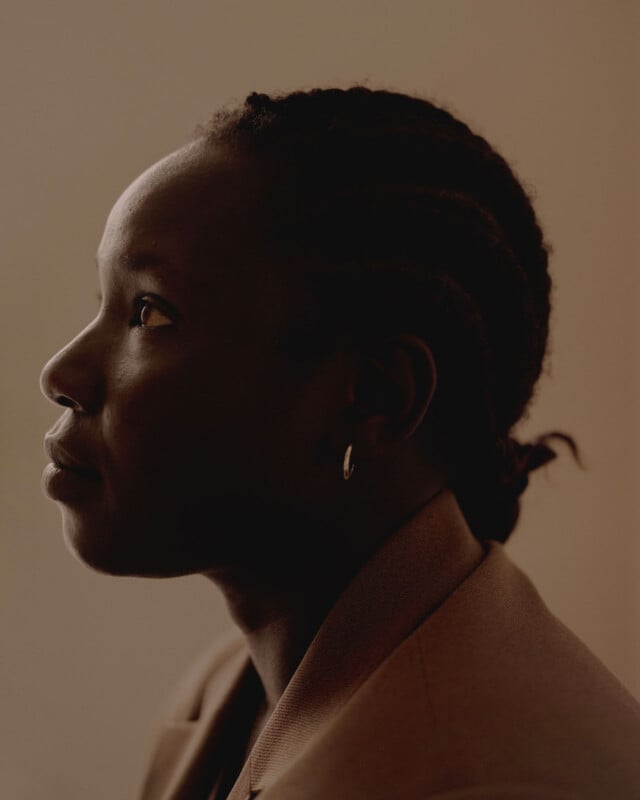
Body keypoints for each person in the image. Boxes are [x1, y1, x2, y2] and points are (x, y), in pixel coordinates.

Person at [40, 87, 640, 800]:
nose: (62, 372)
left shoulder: (498, 778)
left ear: (374, 398)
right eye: (102, 304)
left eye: (151, 313)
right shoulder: (227, 689)